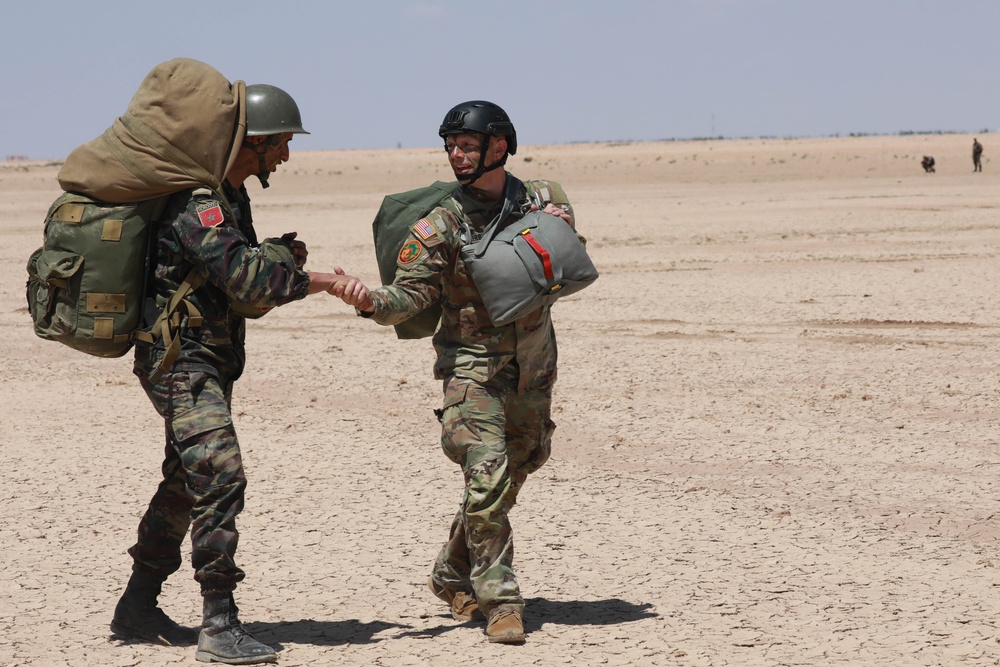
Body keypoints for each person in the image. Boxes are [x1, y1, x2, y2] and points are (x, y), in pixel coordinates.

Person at [107, 83, 362, 664]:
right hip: (181, 363)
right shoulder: (202, 202)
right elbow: (249, 284)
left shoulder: (231, 195)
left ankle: (137, 606)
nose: (287, 157)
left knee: (185, 479)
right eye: (283, 145)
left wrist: (275, 255)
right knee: (221, 473)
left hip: (205, 360)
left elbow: (237, 284)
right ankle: (219, 624)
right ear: (257, 142)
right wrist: (316, 278)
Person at [342, 101, 583, 644]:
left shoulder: (545, 199)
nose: (455, 154)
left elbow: (568, 266)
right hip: (472, 371)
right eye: (450, 145)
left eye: (467, 145)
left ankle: (451, 571)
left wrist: (557, 235)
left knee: (517, 467)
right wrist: (366, 300)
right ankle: (500, 601)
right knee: (487, 474)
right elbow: (411, 294)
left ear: (500, 146)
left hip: (534, 365)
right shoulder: (440, 223)